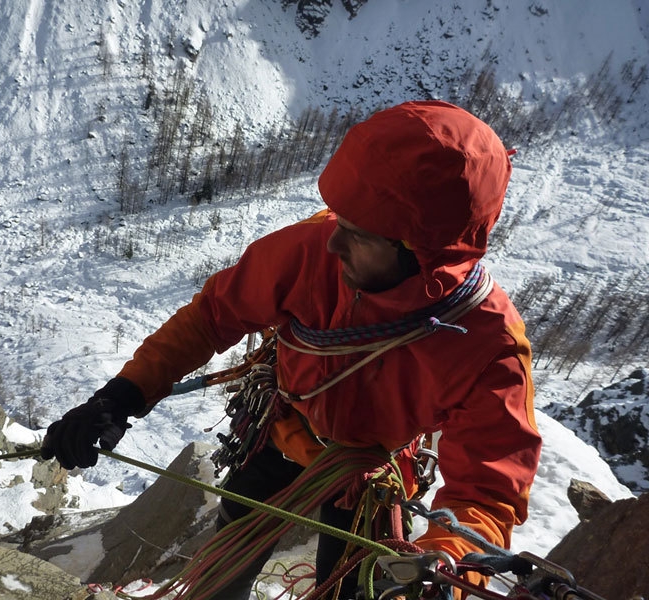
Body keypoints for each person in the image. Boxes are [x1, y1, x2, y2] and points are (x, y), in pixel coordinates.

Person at [41, 100, 543, 599]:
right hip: (284, 430)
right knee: (221, 574)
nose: (332, 244)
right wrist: (122, 396)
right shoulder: (307, 251)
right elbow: (213, 316)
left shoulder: (489, 345)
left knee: (350, 590)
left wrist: (445, 564)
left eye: (356, 233)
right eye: (339, 220)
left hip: (369, 472)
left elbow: (487, 490)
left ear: (421, 250)